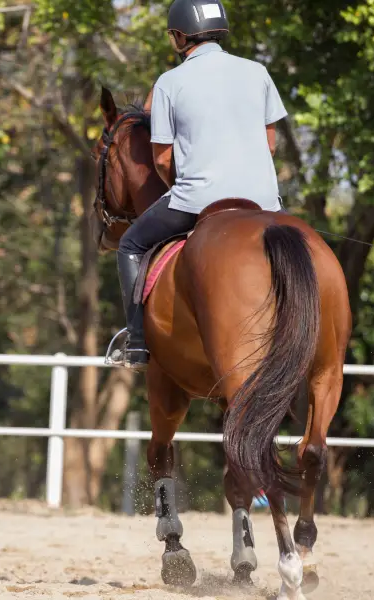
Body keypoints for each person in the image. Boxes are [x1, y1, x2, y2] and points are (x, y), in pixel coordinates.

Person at [108, 0, 289, 371]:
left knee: (129, 244)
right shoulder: (257, 71)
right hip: (265, 201)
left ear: (178, 37)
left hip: (197, 198)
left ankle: (137, 342)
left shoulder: (169, 83)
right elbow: (271, 144)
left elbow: (160, 159)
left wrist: (183, 184)